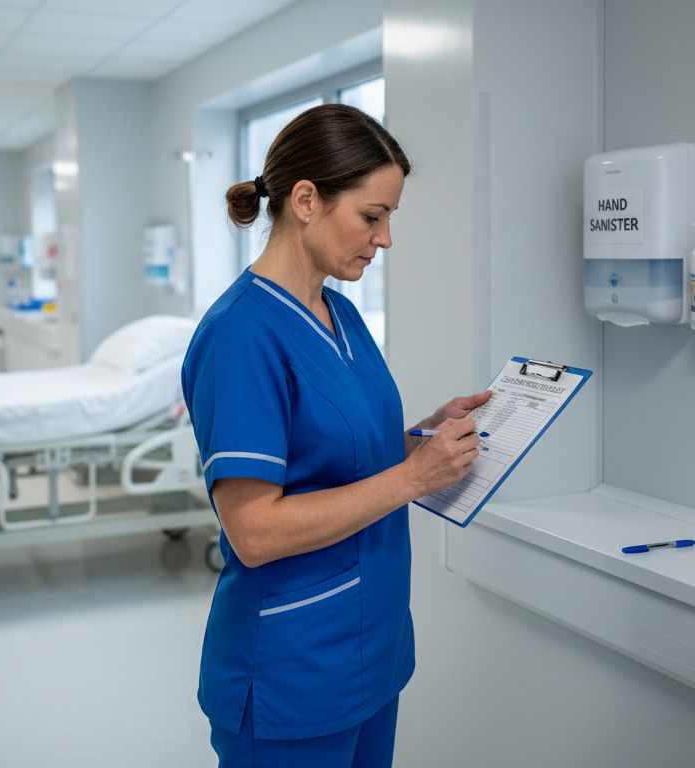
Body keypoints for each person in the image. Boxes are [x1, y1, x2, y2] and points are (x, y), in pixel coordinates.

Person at [182, 103, 491, 767]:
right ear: (305, 200)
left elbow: (344, 459)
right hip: (291, 670)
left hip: (370, 653)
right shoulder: (242, 335)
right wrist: (414, 477)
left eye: (389, 220)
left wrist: (425, 444)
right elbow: (255, 532)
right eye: (372, 217)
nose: (384, 240)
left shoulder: (342, 316)